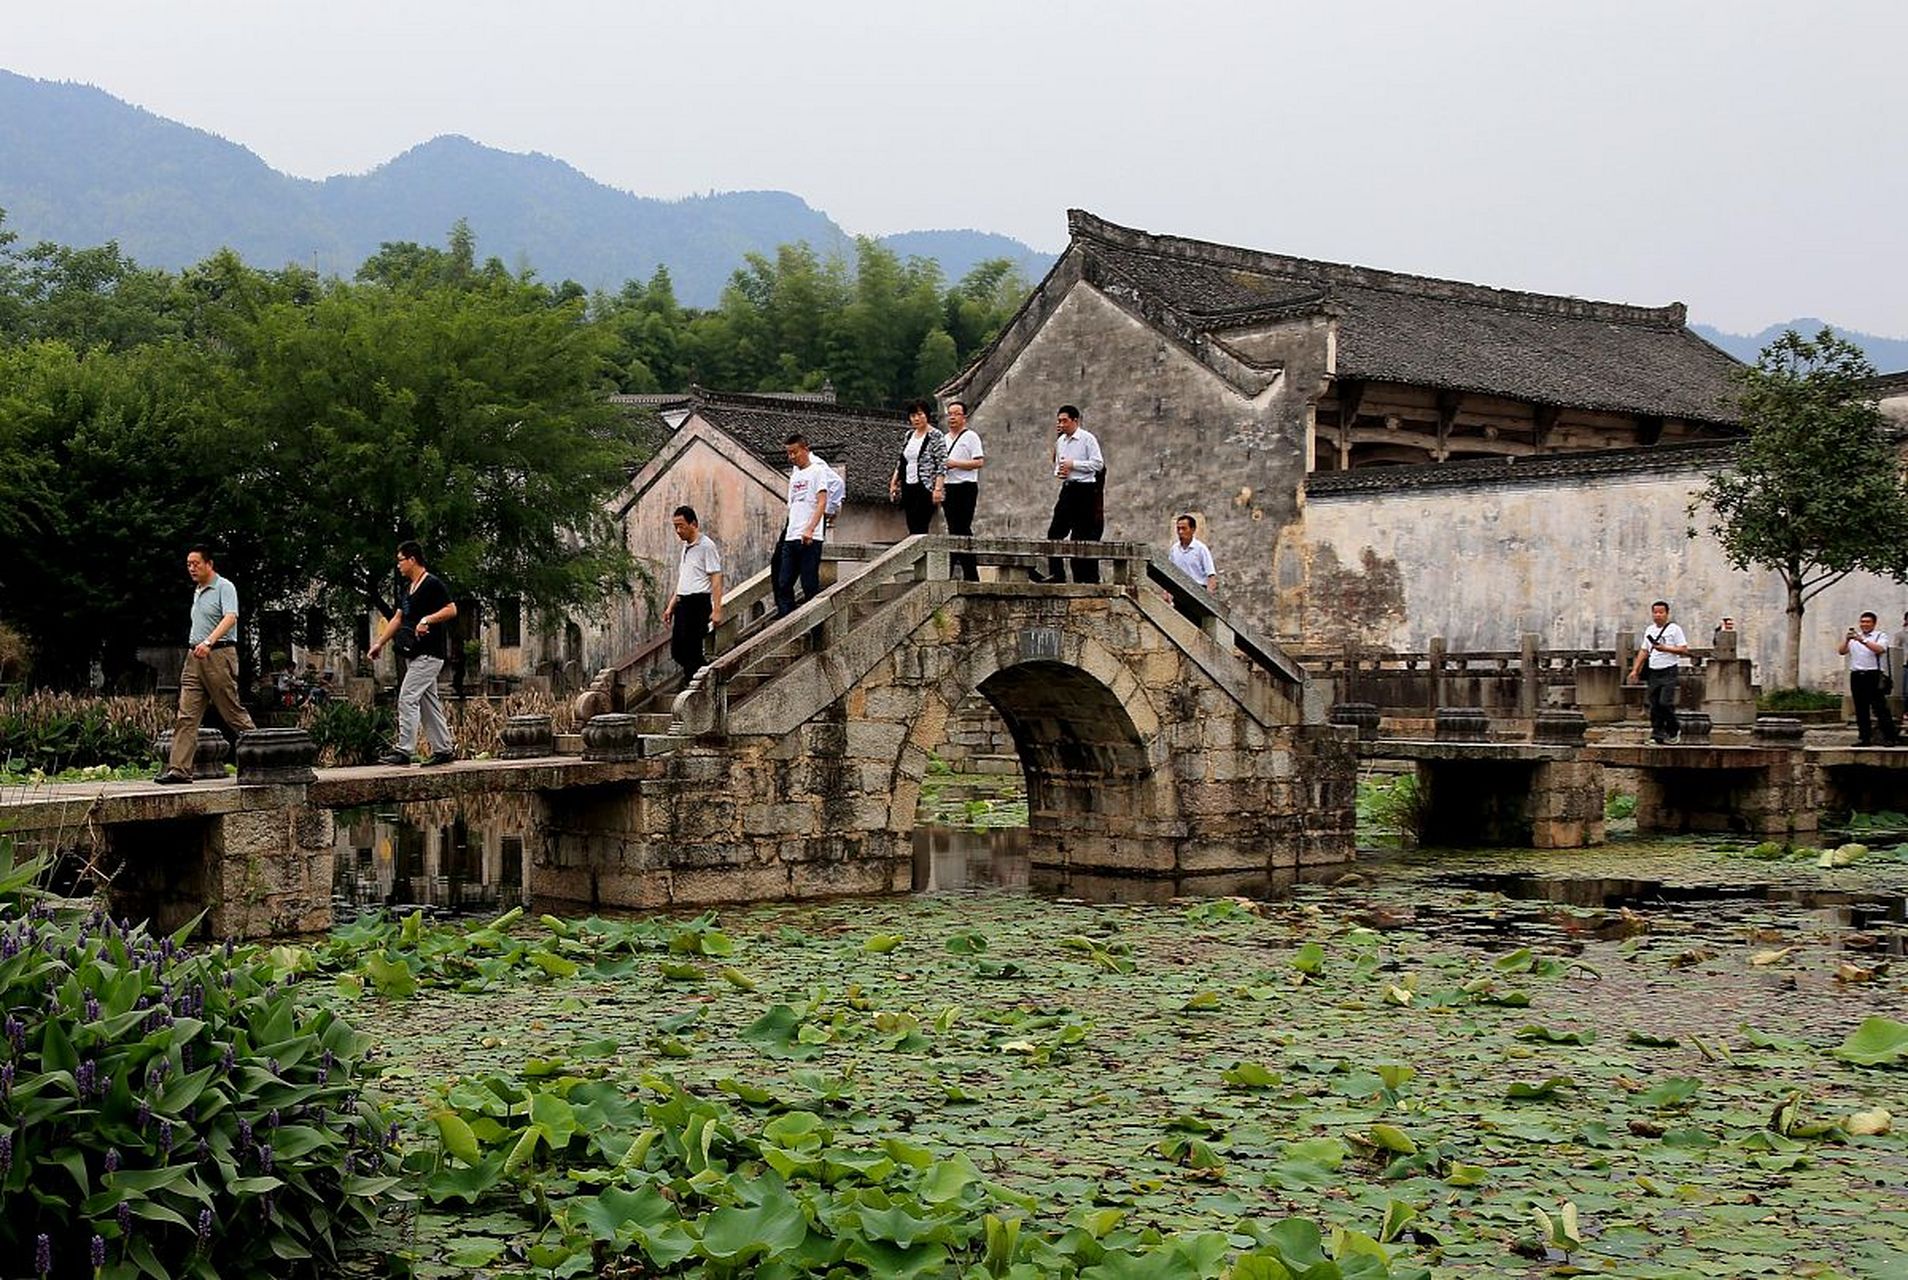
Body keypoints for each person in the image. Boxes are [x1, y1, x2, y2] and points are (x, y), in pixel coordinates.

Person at [153, 545, 258, 784]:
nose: (191, 568)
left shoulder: (224, 587)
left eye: (195, 563)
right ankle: (179, 769)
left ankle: (261, 756)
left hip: (218, 654)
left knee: (231, 711)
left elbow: (231, 617)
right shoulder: (198, 590)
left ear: (209, 564)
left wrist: (209, 642)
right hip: (194, 657)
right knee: (186, 714)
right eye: (188, 564)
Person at [368, 540, 457, 766]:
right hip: (414, 654)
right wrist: (380, 643)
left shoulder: (432, 584)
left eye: (400, 560)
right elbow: (398, 619)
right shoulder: (407, 589)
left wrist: (427, 619)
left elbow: (451, 609)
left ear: (412, 560)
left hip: (430, 653)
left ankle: (404, 750)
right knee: (428, 702)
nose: (398, 566)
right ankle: (443, 749)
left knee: (407, 698)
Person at [775, 433, 836, 617]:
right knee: (784, 582)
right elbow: (792, 505)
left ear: (805, 450)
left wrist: (810, 528)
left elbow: (822, 502)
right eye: (789, 453)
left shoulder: (817, 471)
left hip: (810, 537)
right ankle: (788, 621)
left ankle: (814, 624)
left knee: (809, 584)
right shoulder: (794, 476)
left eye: (794, 452)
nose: (792, 457)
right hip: (792, 534)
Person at [1044, 404, 1105, 583]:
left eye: (1064, 421)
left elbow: (1098, 464)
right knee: (1054, 532)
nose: (1061, 424)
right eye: (1059, 421)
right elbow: (1059, 465)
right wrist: (1060, 472)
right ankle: (1057, 573)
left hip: (1085, 490)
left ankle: (1085, 578)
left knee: (1081, 536)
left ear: (1075, 421)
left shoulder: (1087, 439)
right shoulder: (1061, 441)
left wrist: (1075, 464)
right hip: (1068, 488)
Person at [661, 505, 723, 679]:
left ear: (693, 524)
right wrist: (671, 606)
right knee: (678, 651)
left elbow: (716, 578)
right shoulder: (686, 547)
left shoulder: (706, 546)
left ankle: (698, 682)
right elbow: (684, 579)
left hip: (698, 602)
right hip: (683, 602)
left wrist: (717, 609)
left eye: (681, 526)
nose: (678, 531)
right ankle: (700, 678)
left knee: (691, 649)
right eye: (675, 527)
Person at [1627, 600, 1689, 745]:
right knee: (1654, 704)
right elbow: (1644, 651)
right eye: (1655, 612)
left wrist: (1665, 648)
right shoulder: (1650, 630)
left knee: (1665, 703)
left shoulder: (1674, 629)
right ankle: (1657, 733)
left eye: (1661, 612)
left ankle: (1674, 728)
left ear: (1667, 614)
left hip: (1669, 670)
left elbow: (1683, 649)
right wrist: (1635, 670)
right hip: (1654, 671)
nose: (1658, 615)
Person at [1838, 611, 1899, 747]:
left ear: (1873, 623)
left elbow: (1880, 649)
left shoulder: (1879, 636)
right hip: (1856, 675)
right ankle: (1864, 738)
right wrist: (1848, 639)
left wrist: (1863, 640)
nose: (1864, 624)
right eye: (1862, 622)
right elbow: (1841, 651)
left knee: (1879, 707)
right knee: (1860, 708)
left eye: (1867, 622)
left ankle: (1890, 737)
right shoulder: (1854, 639)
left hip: (1873, 674)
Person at [942, 399, 984, 581]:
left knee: (963, 527)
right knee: (953, 529)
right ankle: (960, 572)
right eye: (949, 414)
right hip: (948, 487)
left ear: (964, 417)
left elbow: (978, 462)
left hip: (966, 487)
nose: (952, 417)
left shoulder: (971, 437)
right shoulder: (943, 439)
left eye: (956, 414)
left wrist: (955, 464)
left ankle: (969, 573)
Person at [1168, 513, 1217, 592]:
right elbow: (1169, 572)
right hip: (1178, 591)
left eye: (1184, 528)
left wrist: (1208, 596)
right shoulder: (1174, 549)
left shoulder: (1201, 549)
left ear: (1192, 529)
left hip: (1198, 591)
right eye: (1178, 529)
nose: (1180, 532)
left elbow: (1211, 575)